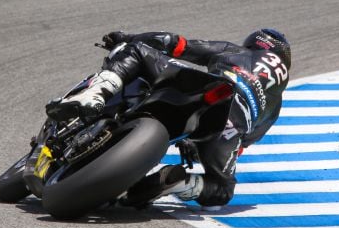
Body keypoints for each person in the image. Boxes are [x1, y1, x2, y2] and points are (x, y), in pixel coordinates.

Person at [46, 29, 291, 210]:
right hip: (228, 129)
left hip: (210, 89)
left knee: (139, 52)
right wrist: (201, 149)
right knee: (223, 191)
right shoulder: (275, 106)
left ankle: (95, 94)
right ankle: (182, 183)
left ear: (256, 45)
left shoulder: (238, 52)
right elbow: (243, 145)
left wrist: (128, 38)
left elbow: (176, 44)